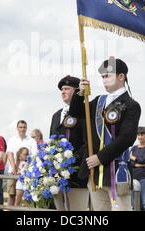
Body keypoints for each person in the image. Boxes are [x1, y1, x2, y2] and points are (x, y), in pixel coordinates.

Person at [69, 57, 141, 211]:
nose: (104, 80)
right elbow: (75, 112)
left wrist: (100, 157)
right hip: (94, 173)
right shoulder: (98, 101)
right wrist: (80, 93)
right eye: (102, 77)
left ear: (121, 77)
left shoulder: (131, 104)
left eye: (107, 76)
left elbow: (127, 138)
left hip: (116, 171)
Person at [50, 75, 89, 211]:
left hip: (77, 174)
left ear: (77, 90)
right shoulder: (56, 115)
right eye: (62, 89)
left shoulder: (85, 112)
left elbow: (87, 143)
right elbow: (52, 143)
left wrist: (71, 161)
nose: (63, 91)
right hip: (57, 176)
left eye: (67, 88)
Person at [6, 120, 38, 207]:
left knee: (27, 197)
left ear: (26, 128)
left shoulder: (31, 141)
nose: (22, 129)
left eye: (24, 127)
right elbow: (9, 154)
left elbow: (34, 155)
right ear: (17, 128)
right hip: (12, 171)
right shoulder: (12, 139)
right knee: (11, 195)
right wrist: (14, 168)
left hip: (27, 173)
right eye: (20, 127)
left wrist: (25, 168)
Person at [129, 126, 145, 211]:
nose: (140, 137)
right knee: (133, 202)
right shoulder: (134, 148)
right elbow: (130, 162)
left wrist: (134, 158)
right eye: (138, 135)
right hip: (134, 176)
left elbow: (144, 160)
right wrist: (140, 164)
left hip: (144, 177)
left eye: (142, 135)